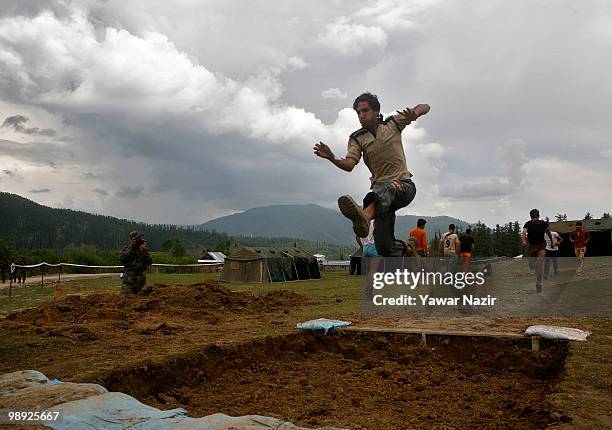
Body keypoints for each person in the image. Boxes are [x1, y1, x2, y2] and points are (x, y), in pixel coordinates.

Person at [314, 92, 430, 257]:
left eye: (365, 110)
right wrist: (332, 157)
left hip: (403, 186)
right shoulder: (357, 138)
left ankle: (365, 216)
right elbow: (349, 165)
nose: (361, 115)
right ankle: (407, 250)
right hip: (381, 197)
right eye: (358, 112)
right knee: (384, 247)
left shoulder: (393, 123)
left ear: (376, 111)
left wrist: (415, 113)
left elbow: (425, 106)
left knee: (388, 188)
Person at [521, 209, 553, 292]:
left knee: (538, 264)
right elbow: (524, 233)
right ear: (530, 217)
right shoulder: (528, 224)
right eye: (533, 218)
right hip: (531, 247)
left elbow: (548, 233)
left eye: (536, 217)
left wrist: (552, 242)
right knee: (532, 266)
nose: (534, 219)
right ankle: (538, 274)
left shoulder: (543, 224)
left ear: (538, 216)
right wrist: (524, 241)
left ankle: (539, 282)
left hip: (541, 246)